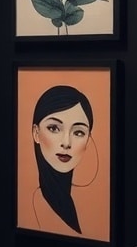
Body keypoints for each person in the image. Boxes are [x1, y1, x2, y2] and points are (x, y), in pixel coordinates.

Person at [31, 84, 96, 235]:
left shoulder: (79, 206)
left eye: (78, 132)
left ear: (87, 139)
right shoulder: (35, 205)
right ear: (36, 133)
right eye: (54, 128)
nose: (66, 143)